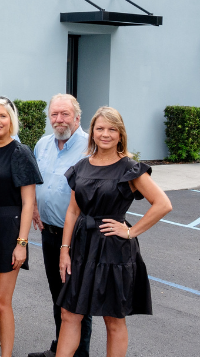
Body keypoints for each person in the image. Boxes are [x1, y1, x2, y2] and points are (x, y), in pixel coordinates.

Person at [55, 107, 172, 357]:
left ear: (120, 135)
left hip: (113, 249)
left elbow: (163, 204)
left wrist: (130, 231)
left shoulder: (129, 168)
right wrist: (64, 250)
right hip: (82, 246)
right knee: (69, 312)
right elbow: (73, 212)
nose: (105, 134)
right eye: (100, 129)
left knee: (113, 317)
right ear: (92, 133)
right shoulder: (81, 167)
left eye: (112, 129)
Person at [0, 97, 43, 357]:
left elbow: (28, 204)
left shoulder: (20, 152)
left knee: (2, 302)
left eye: (3, 116)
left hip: (9, 231)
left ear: (11, 120)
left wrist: (22, 243)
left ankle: (6, 354)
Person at [27, 94, 92, 357]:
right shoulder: (42, 145)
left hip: (78, 236)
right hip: (49, 233)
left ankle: (79, 354)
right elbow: (34, 181)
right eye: (54, 114)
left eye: (65, 114)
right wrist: (33, 206)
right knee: (59, 296)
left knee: (76, 300)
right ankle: (60, 348)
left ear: (78, 117)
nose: (59, 119)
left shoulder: (91, 145)